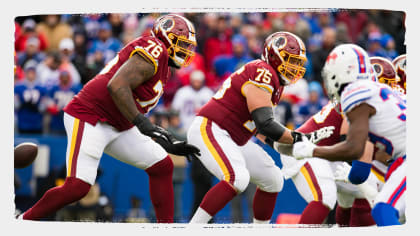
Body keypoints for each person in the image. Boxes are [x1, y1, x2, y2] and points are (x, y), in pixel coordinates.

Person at [17, 14, 200, 223]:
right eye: (182, 44)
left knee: (162, 165)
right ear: (165, 37)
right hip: (91, 115)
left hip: (119, 123)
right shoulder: (155, 48)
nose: (186, 51)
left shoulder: (163, 65)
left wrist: (163, 138)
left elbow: (133, 103)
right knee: (77, 187)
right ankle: (23, 221)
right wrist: (145, 126)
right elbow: (117, 86)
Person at [187, 31, 332, 223]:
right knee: (236, 178)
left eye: (298, 62)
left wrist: (290, 148)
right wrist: (300, 138)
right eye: (290, 60)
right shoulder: (263, 71)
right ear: (273, 56)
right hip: (212, 128)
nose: (295, 67)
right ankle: (193, 228)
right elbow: (265, 123)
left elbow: (262, 130)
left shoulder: (275, 82)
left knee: (273, 179)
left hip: (232, 137)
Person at [292, 44, 406, 226]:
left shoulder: (357, 92)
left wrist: (312, 151)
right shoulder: (393, 96)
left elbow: (355, 152)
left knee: (383, 209)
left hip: (404, 160)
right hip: (398, 160)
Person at [14, 60, 49, 134]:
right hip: (22, 122)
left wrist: (37, 106)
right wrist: (22, 104)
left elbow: (44, 106)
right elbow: (15, 105)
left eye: (32, 72)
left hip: (37, 122)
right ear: (25, 73)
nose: (30, 74)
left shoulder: (41, 88)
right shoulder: (18, 87)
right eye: (29, 72)